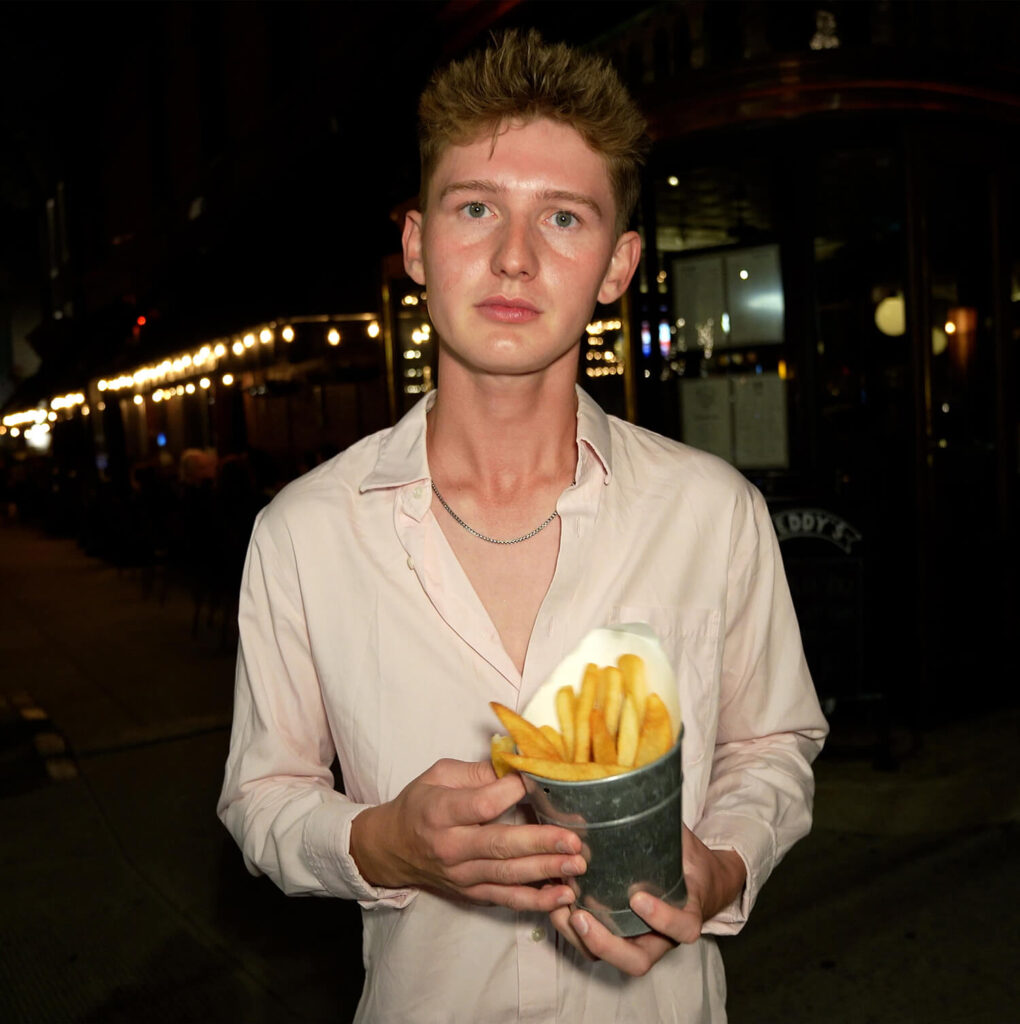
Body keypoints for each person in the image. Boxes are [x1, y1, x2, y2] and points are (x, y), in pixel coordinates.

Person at [218, 28, 828, 1023]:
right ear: (417, 242)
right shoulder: (303, 535)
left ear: (619, 264)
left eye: (564, 218)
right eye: (475, 209)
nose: (512, 257)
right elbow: (263, 795)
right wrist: (382, 843)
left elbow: (774, 743)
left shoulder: (713, 514)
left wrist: (719, 870)